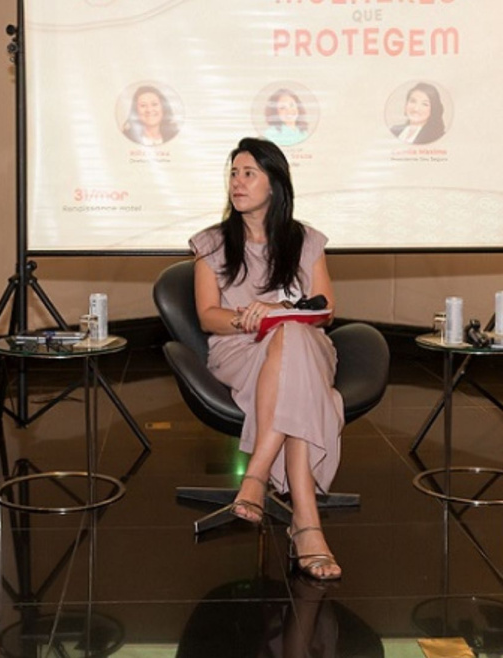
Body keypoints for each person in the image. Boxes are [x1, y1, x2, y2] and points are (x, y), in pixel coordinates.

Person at [189, 137, 343, 581]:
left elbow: (325, 311)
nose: (237, 183)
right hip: (241, 347)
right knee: (300, 375)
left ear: (274, 184)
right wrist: (250, 319)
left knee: (292, 337)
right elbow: (207, 315)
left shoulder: (306, 240)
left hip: (307, 345)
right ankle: (306, 523)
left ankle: (255, 476)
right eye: (234, 174)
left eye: (249, 174)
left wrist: (279, 313)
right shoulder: (212, 243)